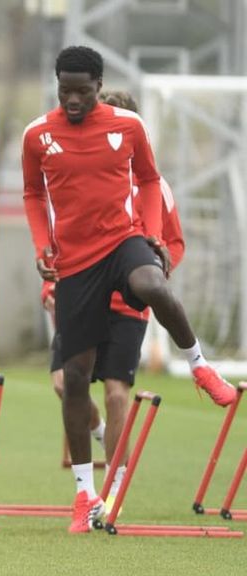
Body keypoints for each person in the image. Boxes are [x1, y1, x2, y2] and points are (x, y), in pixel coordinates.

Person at [22, 46, 235, 534]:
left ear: (99, 85)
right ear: (57, 85)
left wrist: (154, 236)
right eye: (65, 91)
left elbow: (150, 180)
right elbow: (33, 194)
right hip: (75, 264)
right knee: (73, 380)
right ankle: (84, 495)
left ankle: (200, 366)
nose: (73, 100)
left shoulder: (128, 127)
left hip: (123, 243)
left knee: (152, 283)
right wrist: (42, 245)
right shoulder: (38, 135)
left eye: (83, 91)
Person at [41, 89, 187, 511]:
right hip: (81, 293)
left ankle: (116, 489)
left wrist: (151, 275)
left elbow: (173, 243)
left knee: (118, 392)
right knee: (62, 383)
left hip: (126, 303)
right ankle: (104, 436)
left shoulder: (154, 185)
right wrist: (51, 286)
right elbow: (56, 238)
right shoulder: (73, 173)